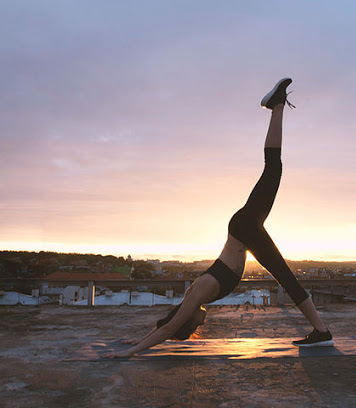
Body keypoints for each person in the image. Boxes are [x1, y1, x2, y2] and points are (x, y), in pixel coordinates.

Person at [102, 78, 333, 359]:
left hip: (244, 230)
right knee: (284, 271)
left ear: (190, 321)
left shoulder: (197, 298)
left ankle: (277, 106)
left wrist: (133, 351)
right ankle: (321, 332)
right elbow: (166, 322)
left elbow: (168, 329)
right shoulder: (194, 299)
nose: (203, 323)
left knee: (273, 171)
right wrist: (137, 339)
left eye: (197, 326)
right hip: (243, 233)